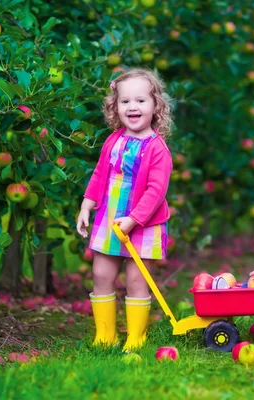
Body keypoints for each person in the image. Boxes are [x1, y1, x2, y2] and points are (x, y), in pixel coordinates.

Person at [76, 68, 173, 351]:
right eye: (125, 101)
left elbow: (156, 192)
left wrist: (133, 219)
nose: (133, 107)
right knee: (101, 273)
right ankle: (105, 336)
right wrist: (87, 204)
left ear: (155, 106)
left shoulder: (157, 149)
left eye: (141, 101)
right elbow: (98, 175)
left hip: (143, 222)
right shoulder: (114, 140)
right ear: (115, 107)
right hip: (110, 218)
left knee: (135, 278)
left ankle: (136, 336)